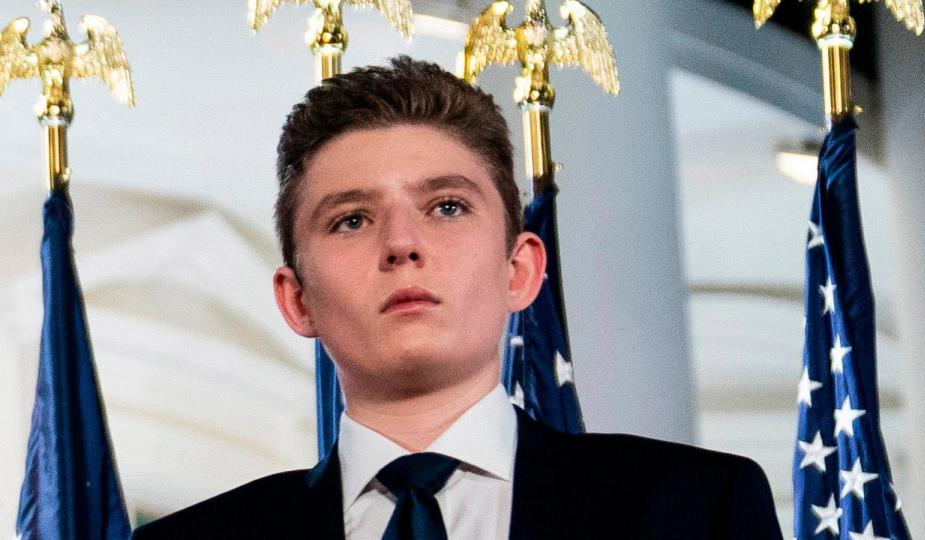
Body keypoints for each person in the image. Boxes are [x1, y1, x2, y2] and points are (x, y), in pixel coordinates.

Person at [132, 56, 782, 539]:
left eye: (446, 206)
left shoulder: (696, 508)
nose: (402, 244)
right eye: (352, 219)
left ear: (520, 270)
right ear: (297, 300)